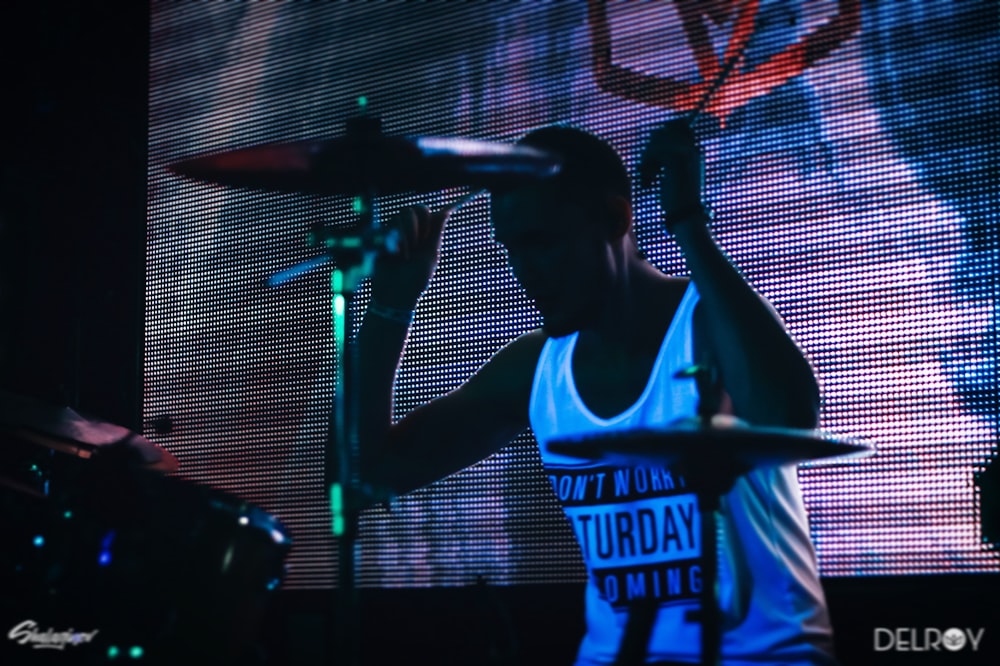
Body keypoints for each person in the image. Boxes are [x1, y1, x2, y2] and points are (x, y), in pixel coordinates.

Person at [357, 122, 835, 665]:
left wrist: (687, 223)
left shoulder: (708, 326)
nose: (523, 273)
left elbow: (792, 418)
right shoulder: (538, 369)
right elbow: (366, 476)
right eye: (513, 249)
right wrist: (390, 305)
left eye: (543, 243)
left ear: (615, 218)